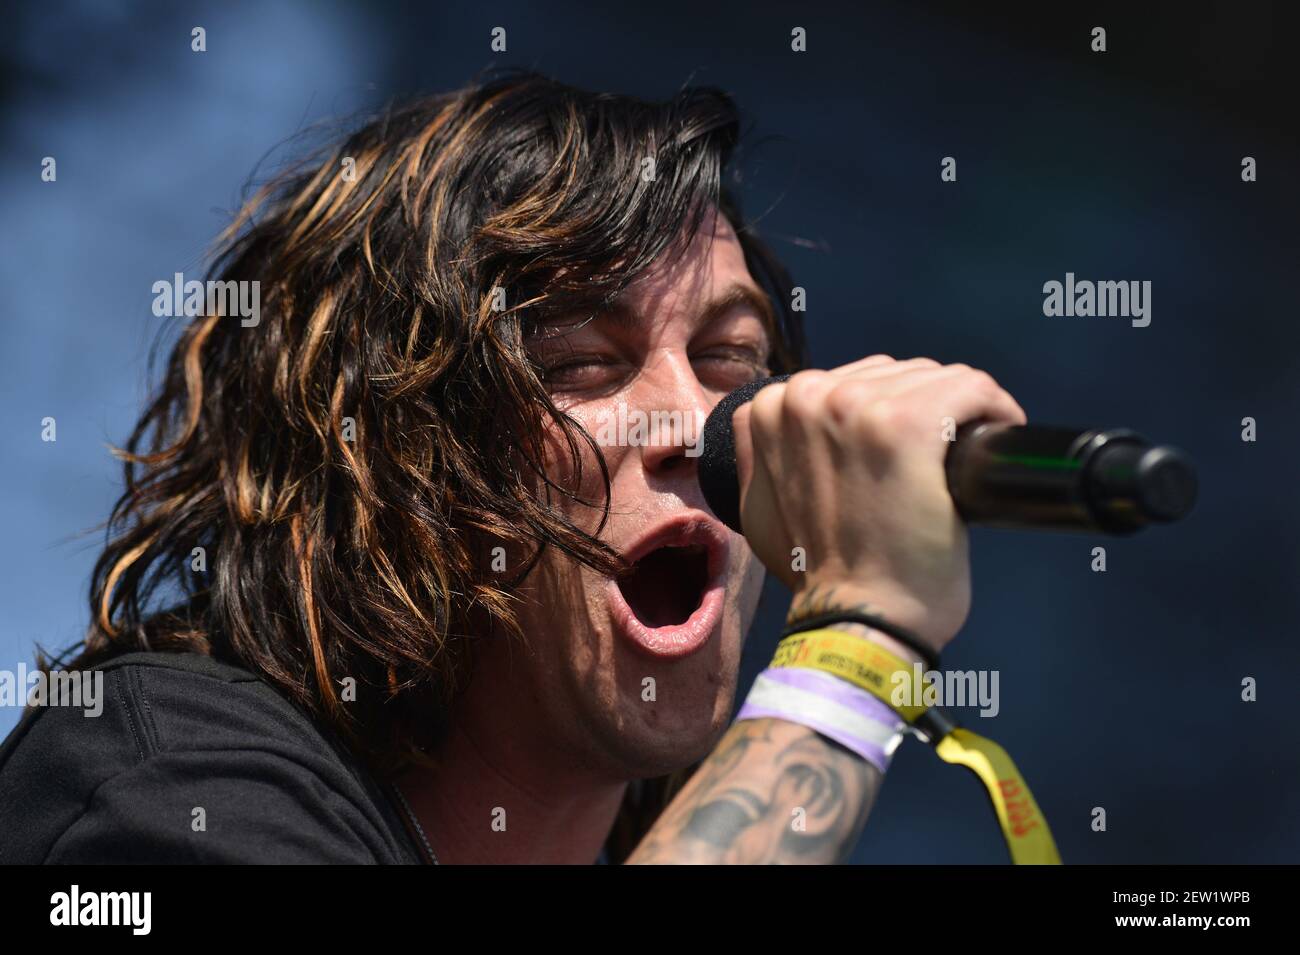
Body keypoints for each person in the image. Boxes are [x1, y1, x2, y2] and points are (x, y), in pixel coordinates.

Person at [0, 71, 1024, 864]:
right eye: (581, 362)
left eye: (730, 361)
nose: (689, 421)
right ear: (386, 455)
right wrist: (859, 638)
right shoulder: (168, 785)